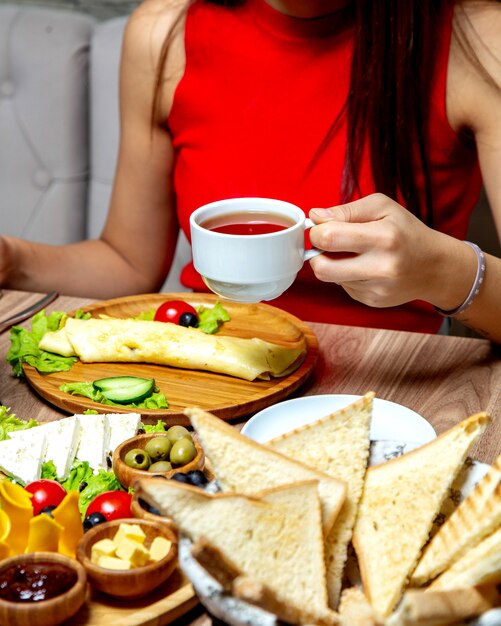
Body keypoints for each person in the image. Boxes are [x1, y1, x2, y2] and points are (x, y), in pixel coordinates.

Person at [1, 0, 501, 340]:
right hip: (218, 371)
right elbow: (127, 262)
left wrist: (442, 270)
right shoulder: (163, 31)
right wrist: (13, 260)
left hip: (394, 384)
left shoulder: (477, 37)